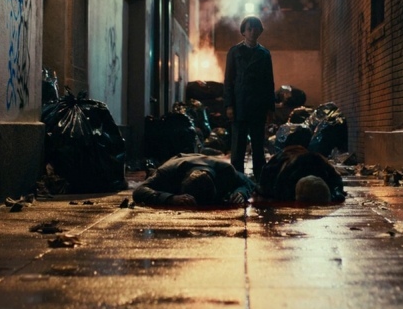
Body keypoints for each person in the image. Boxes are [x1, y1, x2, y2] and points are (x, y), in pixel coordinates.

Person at [224, 15, 275, 177]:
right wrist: (229, 105)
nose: (253, 31)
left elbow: (269, 83)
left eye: (256, 28)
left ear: (260, 31)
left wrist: (270, 109)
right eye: (249, 28)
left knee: (258, 145)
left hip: (258, 106)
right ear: (243, 32)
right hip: (239, 105)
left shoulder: (265, 54)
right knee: (238, 145)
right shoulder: (234, 52)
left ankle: (260, 179)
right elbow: (228, 80)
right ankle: (236, 177)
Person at [133, 153, 256, 207]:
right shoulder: (169, 171)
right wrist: (171, 198)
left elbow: (249, 183)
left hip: (209, 162)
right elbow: (139, 191)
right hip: (179, 160)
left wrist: (240, 193)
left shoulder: (225, 171)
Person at [256, 144, 346, 203]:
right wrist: (337, 193)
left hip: (294, 155)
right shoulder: (285, 177)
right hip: (287, 155)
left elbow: (337, 180)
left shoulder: (319, 162)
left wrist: (337, 193)